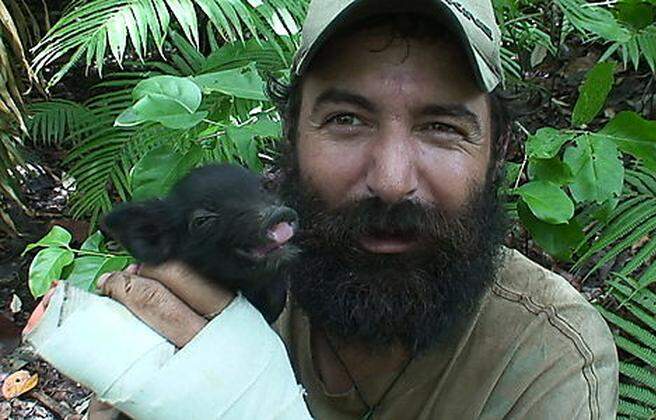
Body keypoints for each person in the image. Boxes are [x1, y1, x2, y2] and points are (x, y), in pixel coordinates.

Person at [89, 0, 619, 418]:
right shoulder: (212, 287)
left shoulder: (543, 357)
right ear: (292, 132)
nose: (391, 181)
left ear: (498, 149)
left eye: (441, 127)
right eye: (346, 119)